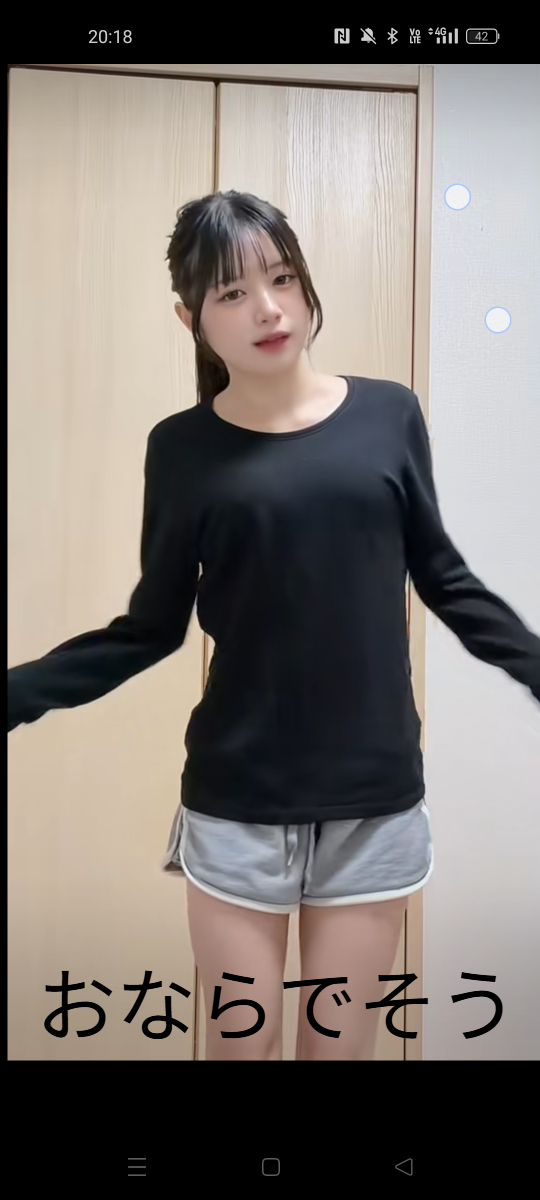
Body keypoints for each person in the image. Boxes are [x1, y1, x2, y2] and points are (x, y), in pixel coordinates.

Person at [8, 190, 540, 1061]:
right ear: (190, 317)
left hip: (373, 800)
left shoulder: (389, 414)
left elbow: (445, 580)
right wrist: (17, 695)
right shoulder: (180, 448)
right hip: (238, 802)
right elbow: (150, 627)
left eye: (283, 278)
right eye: (232, 292)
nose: (268, 308)